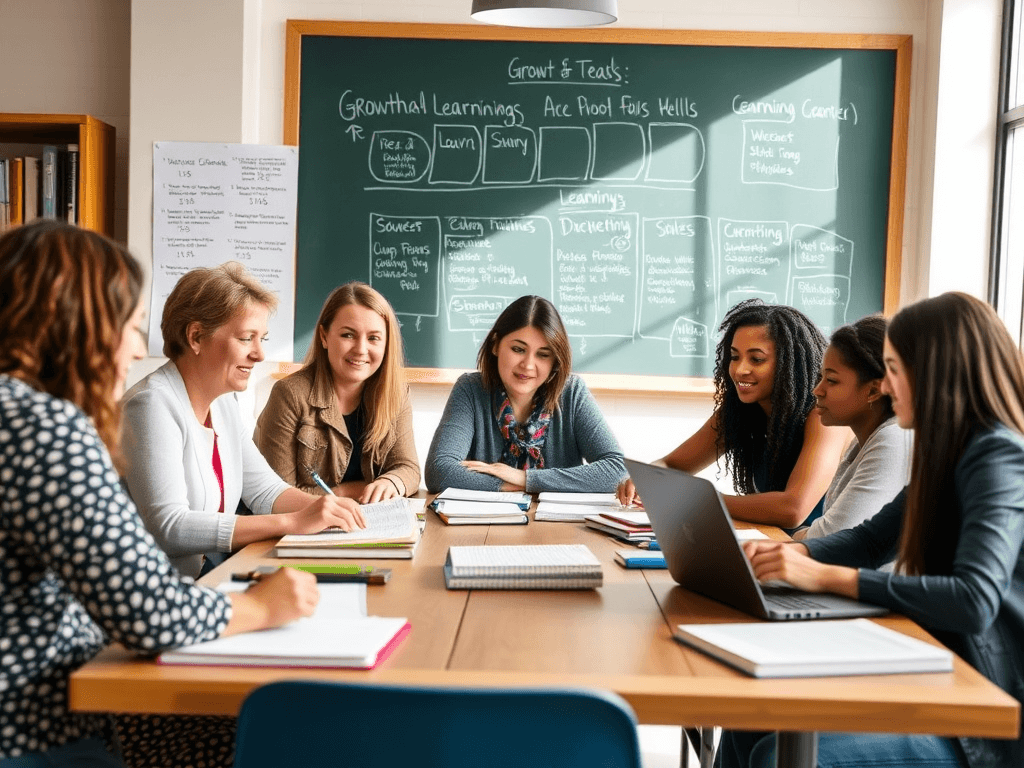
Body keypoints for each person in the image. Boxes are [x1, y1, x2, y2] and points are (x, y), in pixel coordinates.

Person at [0, 221, 320, 767]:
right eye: (127, 325)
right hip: (35, 722)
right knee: (280, 738)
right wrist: (260, 606)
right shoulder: (46, 428)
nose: (134, 345)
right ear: (70, 325)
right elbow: (149, 611)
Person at [727, 292, 1024, 768]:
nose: (886, 386)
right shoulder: (947, 452)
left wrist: (828, 577)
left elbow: (974, 599)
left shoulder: (998, 457)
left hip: (979, 712)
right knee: (749, 715)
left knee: (775, 753)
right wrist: (788, 558)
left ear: (938, 371)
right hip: (936, 671)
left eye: (895, 370)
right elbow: (868, 540)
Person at [121, 263, 366, 580]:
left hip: (211, 574)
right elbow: (169, 526)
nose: (260, 354)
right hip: (165, 592)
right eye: (246, 338)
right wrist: (292, 522)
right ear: (196, 337)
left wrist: (330, 511)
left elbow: (264, 491)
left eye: (261, 338)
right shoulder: (151, 405)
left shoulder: (223, 402)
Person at [617, 298, 848, 530]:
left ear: (791, 364)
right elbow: (671, 464)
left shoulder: (824, 416)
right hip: (773, 542)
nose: (740, 369)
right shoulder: (740, 411)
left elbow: (793, 509)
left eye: (756, 359)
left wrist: (695, 499)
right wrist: (646, 480)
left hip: (819, 555)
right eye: (735, 356)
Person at [424, 294, 626, 493]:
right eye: (518, 349)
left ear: (555, 360)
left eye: (543, 355)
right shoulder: (470, 389)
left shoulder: (572, 393)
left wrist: (525, 478)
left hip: (559, 526)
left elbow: (617, 470)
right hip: (487, 525)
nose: (528, 365)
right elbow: (438, 471)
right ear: (495, 344)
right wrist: (504, 485)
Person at [253, 281, 419, 503]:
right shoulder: (289, 395)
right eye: (348, 335)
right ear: (324, 336)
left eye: (373, 338)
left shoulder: (395, 393)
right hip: (301, 529)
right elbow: (278, 496)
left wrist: (391, 482)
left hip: (367, 524)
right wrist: (347, 492)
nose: (361, 349)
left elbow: (408, 467)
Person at [793, 315, 912, 540]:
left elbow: (831, 538)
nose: (817, 390)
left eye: (832, 380)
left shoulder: (894, 439)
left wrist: (799, 537)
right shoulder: (864, 439)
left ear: (874, 391)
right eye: (821, 377)